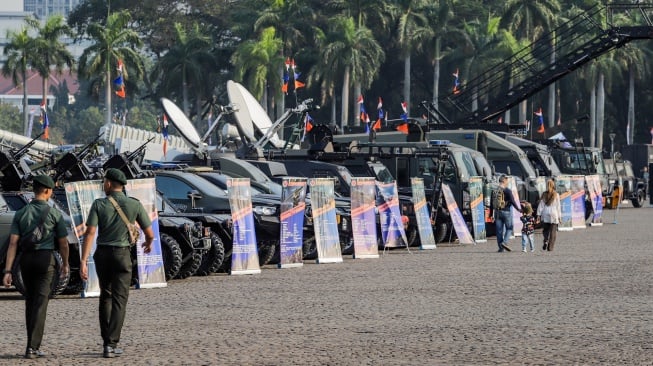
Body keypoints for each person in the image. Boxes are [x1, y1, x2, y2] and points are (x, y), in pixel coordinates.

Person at [79, 168, 154, 358]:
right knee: (120, 300)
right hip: (122, 255)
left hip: (103, 254)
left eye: (104, 181)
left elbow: (90, 233)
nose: (103, 184)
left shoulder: (99, 204)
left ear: (109, 184)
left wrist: (83, 260)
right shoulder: (134, 205)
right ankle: (111, 344)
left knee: (106, 296)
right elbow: (150, 233)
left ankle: (106, 340)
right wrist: (148, 243)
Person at [3, 175, 69, 359]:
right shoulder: (54, 214)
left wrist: (8, 270)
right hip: (45, 260)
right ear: (47, 191)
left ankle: (31, 343)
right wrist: (65, 263)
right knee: (40, 303)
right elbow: (63, 243)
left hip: (25, 260)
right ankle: (32, 347)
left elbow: (13, 244)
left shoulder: (20, 213)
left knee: (30, 302)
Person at [492, 175, 522, 252]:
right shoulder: (507, 190)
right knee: (509, 228)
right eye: (507, 181)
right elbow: (512, 201)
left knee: (499, 231)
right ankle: (505, 242)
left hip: (497, 212)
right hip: (506, 211)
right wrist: (518, 209)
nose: (507, 182)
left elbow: (492, 203)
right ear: (504, 181)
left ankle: (501, 248)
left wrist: (491, 214)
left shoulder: (495, 190)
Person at [537, 179, 562, 251]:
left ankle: (545, 240)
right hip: (554, 214)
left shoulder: (544, 194)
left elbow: (541, 205)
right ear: (553, 185)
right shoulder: (556, 194)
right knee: (553, 232)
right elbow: (558, 206)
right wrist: (560, 217)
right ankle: (550, 247)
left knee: (545, 230)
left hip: (545, 214)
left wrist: (538, 215)